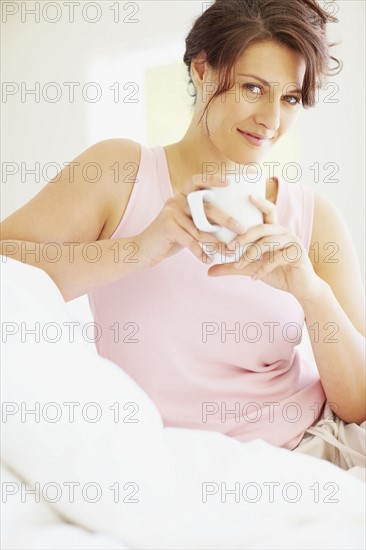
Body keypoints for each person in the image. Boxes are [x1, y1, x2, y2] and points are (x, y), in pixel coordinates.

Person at [1, 0, 365, 472]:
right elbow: (6, 269)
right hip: (162, 467)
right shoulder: (120, 171)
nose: (271, 120)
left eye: (290, 98)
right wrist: (138, 248)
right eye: (254, 88)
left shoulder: (312, 216)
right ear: (202, 70)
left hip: (303, 453)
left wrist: (311, 293)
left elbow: (357, 403)